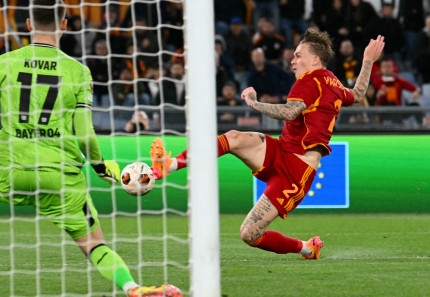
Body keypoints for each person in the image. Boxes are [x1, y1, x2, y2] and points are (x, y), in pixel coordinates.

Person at [0, 0, 183, 297]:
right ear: (63, 24)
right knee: (94, 244)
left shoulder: (3, 63)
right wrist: (100, 167)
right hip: (61, 176)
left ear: (28, 25)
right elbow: (84, 133)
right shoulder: (77, 71)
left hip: (11, 170)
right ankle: (133, 289)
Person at [150, 30, 384, 260]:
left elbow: (291, 112)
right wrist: (367, 61)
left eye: (298, 55)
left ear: (315, 60)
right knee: (233, 137)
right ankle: (169, 165)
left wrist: (253, 103)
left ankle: (307, 248)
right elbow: (358, 93)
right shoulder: (332, 82)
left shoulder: (310, 80)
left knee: (249, 234)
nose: (292, 60)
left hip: (296, 172)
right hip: (280, 151)